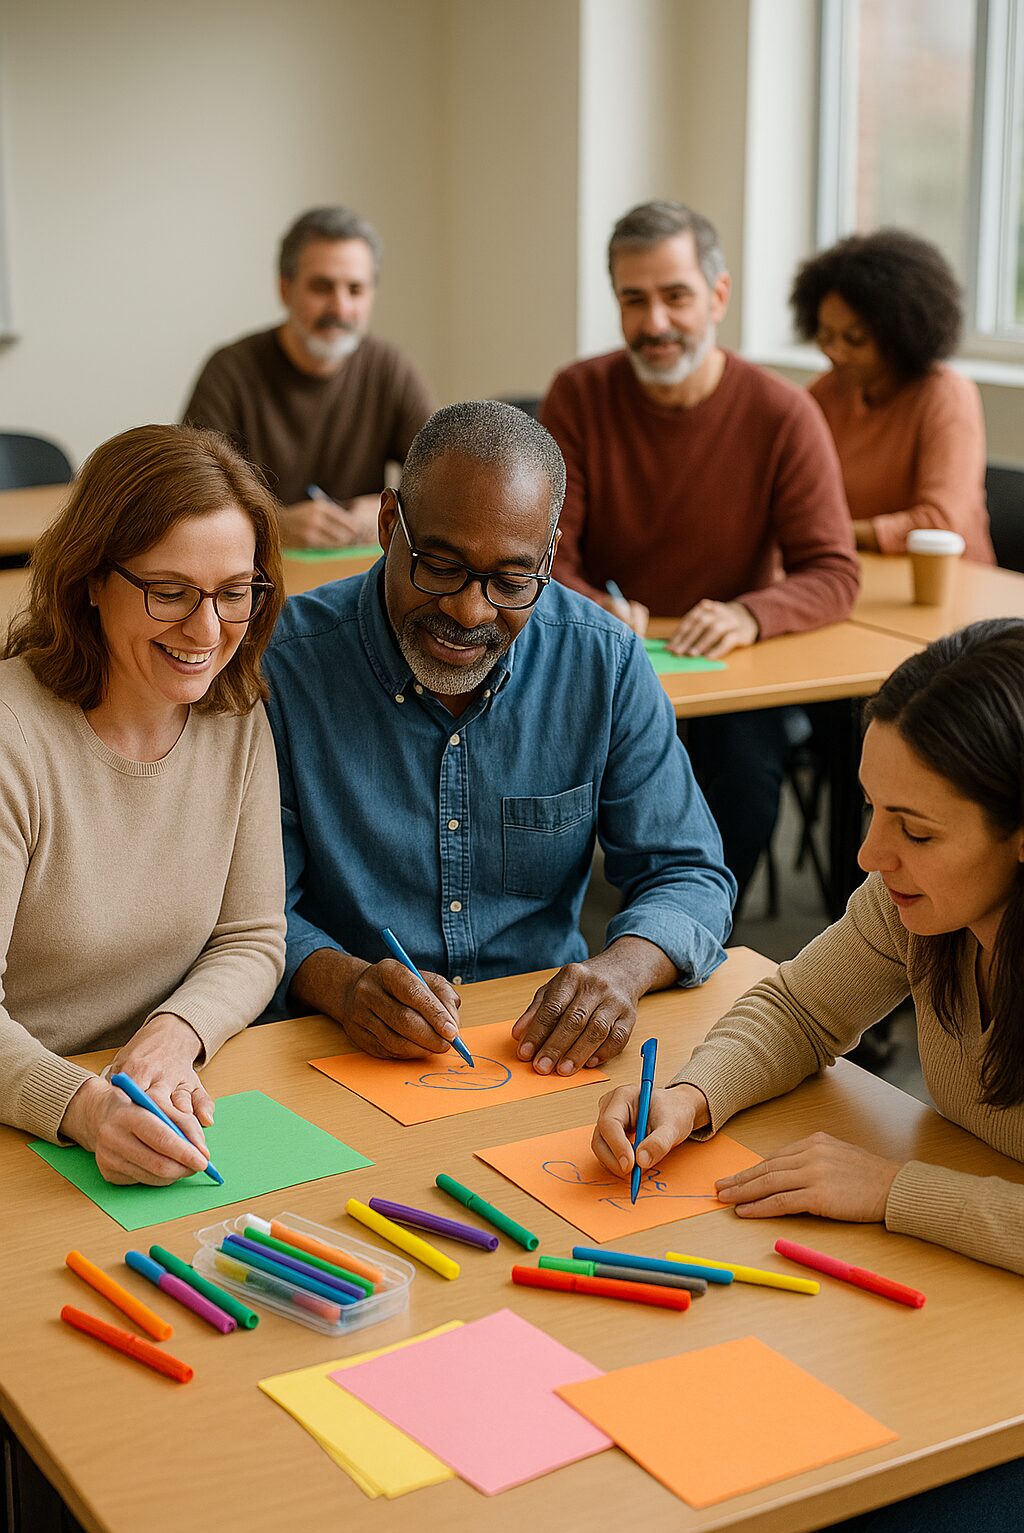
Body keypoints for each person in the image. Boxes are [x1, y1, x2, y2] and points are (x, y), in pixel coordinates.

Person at [594, 618, 1024, 1531]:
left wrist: (894, 1190)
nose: (870, 855)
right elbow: (800, 1009)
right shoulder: (917, 903)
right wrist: (690, 1096)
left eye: (914, 829)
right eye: (871, 809)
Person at [262, 399, 735, 1073]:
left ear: (547, 559)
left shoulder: (603, 662)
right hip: (333, 1050)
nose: (468, 610)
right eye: (442, 566)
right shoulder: (285, 667)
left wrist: (621, 972)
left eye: (511, 581)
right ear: (389, 522)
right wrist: (340, 983)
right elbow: (245, 912)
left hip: (536, 1051)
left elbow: (688, 873)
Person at [539, 199, 859, 897]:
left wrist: (752, 614)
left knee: (746, 783)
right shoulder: (577, 394)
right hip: (611, 655)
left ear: (717, 295)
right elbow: (547, 556)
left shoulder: (782, 414)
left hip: (728, 671)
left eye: (675, 296)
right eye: (634, 300)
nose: (655, 323)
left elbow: (833, 570)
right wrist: (594, 610)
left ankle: (696, 940)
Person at [0, 424, 286, 1185]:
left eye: (235, 594)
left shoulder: (236, 715)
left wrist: (174, 1032)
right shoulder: (11, 735)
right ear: (92, 579)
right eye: (170, 593)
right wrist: (86, 1108)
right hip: (31, 1115)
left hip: (168, 1100)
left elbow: (253, 936)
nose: (206, 630)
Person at [182, 206, 434, 550]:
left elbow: (441, 481)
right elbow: (188, 496)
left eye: (356, 290)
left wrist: (392, 508)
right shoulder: (229, 370)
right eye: (321, 287)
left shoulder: (390, 368)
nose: (341, 308)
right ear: (286, 289)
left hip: (356, 573)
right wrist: (272, 523)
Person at [791, 228, 995, 563]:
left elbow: (939, 523)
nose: (835, 353)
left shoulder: (944, 394)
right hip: (856, 570)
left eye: (855, 339)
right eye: (825, 336)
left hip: (943, 583)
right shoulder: (826, 391)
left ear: (900, 336)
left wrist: (829, 530)